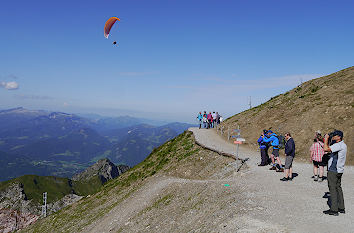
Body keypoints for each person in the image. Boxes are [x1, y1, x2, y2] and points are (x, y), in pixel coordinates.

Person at [323, 130, 347, 216]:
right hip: (339, 170)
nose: (333, 137)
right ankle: (341, 207)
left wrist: (326, 139)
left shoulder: (338, 145)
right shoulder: (343, 145)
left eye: (335, 135)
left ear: (339, 137)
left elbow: (325, 149)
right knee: (338, 188)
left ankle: (334, 209)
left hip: (333, 170)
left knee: (332, 188)